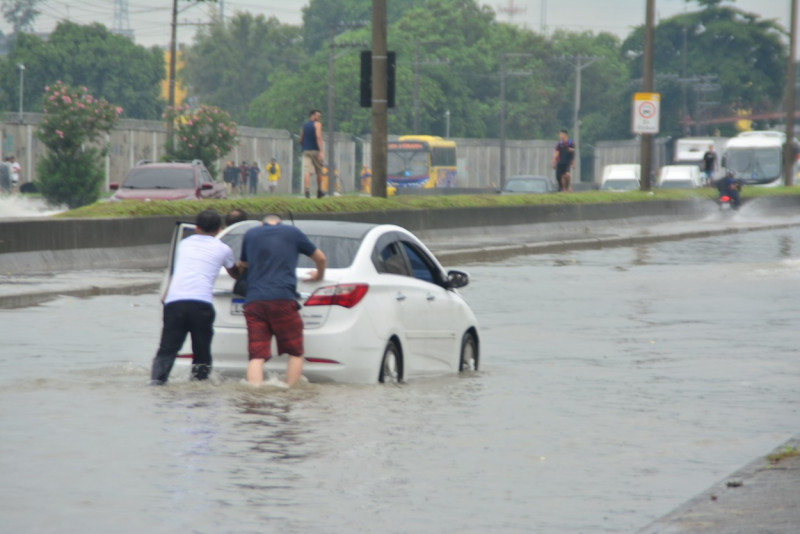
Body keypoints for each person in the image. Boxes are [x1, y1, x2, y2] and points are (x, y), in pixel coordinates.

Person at [150, 209, 241, 385]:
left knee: (167, 349)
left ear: (197, 228)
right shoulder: (223, 248)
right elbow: (235, 274)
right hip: (201, 305)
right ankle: (199, 387)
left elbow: (178, 270)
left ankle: (156, 383)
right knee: (201, 351)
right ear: (219, 229)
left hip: (174, 304)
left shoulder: (184, 244)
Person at [239, 214, 327, 386]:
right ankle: (289, 393)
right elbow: (321, 258)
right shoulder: (292, 232)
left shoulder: (251, 234)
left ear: (262, 224)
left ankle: (254, 394)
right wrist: (319, 275)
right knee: (295, 351)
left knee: (257, 356)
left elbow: (243, 264)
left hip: (254, 302)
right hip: (283, 300)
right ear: (279, 222)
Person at [299, 109, 325, 198]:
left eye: (320, 116)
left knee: (307, 171)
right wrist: (321, 151)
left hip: (306, 151)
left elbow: (300, 139)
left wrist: (304, 145)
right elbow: (318, 137)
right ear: (312, 115)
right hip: (315, 150)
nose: (319, 117)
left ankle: (307, 191)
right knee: (319, 171)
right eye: (317, 115)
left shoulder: (304, 126)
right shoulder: (317, 124)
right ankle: (319, 191)